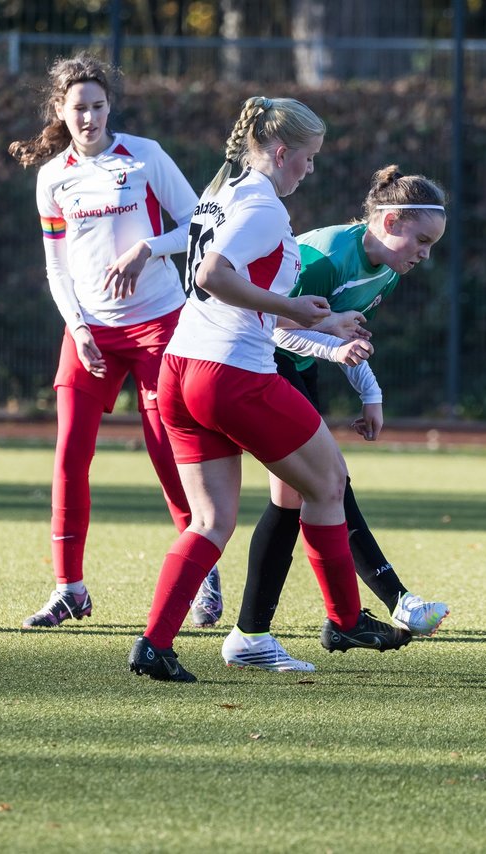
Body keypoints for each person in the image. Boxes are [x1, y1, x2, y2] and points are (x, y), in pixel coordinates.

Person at [127, 96, 412, 683]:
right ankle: (345, 619)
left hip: (181, 368)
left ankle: (154, 644)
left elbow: (234, 292)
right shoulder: (262, 207)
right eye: (307, 158)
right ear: (281, 153)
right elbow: (213, 278)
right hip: (230, 373)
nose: (310, 170)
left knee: (209, 521)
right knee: (329, 481)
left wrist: (321, 323)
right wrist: (291, 307)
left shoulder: (224, 192)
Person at [7, 52, 219, 629]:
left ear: (109, 107)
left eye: (98, 106)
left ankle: (200, 573)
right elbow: (57, 267)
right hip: (90, 330)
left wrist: (149, 246)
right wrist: (78, 328)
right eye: (79, 108)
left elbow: (201, 224)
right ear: (61, 110)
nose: (90, 117)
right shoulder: (54, 178)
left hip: (159, 325)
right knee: (71, 453)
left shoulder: (145, 156)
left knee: (165, 449)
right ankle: (69, 589)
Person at [217, 166, 451, 672]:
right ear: (389, 221)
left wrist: (371, 391)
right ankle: (388, 602)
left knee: (295, 496)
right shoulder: (324, 257)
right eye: (423, 240)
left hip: (301, 367)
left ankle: (252, 632)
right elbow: (273, 325)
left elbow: (346, 334)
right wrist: (333, 351)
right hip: (262, 361)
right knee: (327, 481)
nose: (425, 254)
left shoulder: (387, 267)